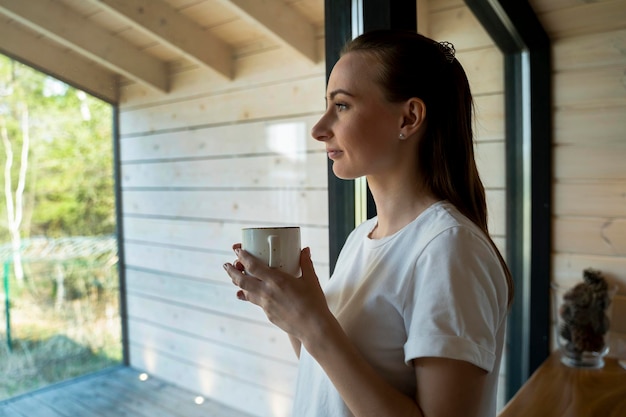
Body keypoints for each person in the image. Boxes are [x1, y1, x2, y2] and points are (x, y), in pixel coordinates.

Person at [223, 29, 514, 417]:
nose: (319, 128)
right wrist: (290, 312)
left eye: (341, 106)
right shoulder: (363, 237)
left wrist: (314, 325)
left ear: (409, 117)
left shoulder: (449, 249)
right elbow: (329, 377)